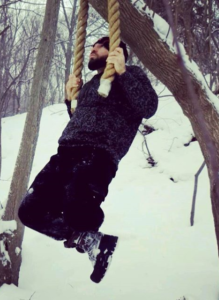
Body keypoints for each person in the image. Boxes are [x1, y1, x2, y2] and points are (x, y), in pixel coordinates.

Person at [18, 36, 158, 283]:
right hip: (66, 152)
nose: (91, 50)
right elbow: (80, 120)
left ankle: (88, 231)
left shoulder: (132, 74)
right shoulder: (92, 84)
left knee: (78, 206)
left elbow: (148, 107)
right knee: (29, 211)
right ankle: (88, 238)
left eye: (98, 47)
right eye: (91, 47)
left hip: (99, 153)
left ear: (117, 51)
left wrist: (123, 72)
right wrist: (70, 98)